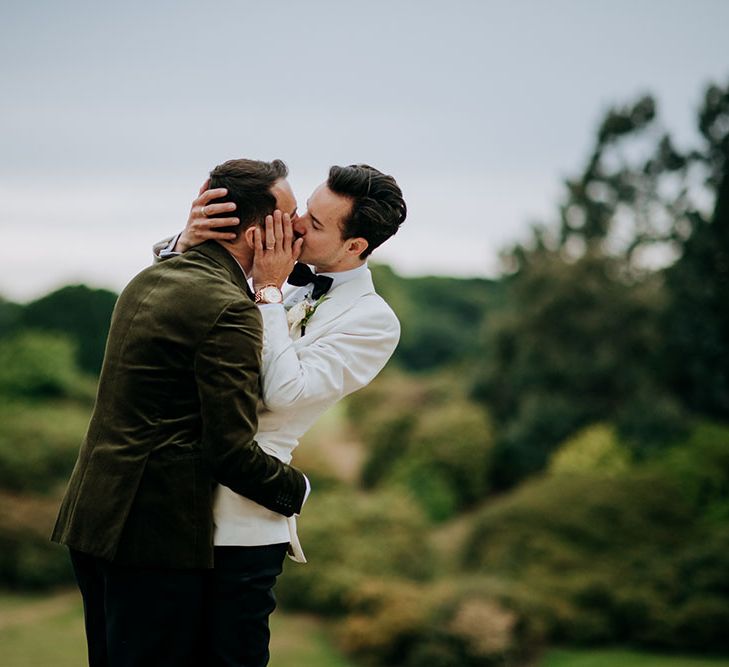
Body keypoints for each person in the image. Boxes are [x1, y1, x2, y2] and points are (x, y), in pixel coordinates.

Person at [52, 158, 309, 667]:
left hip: (93, 516)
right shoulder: (232, 308)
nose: (298, 227)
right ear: (259, 233)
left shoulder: (150, 278)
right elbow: (229, 452)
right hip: (153, 539)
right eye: (291, 215)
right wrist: (296, 491)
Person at [154, 162, 407, 666]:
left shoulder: (372, 321)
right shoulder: (281, 277)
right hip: (174, 506)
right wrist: (184, 245)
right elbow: (182, 321)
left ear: (355, 246)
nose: (293, 225)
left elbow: (284, 393)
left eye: (313, 224)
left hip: (244, 522)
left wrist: (267, 291)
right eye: (305, 211)